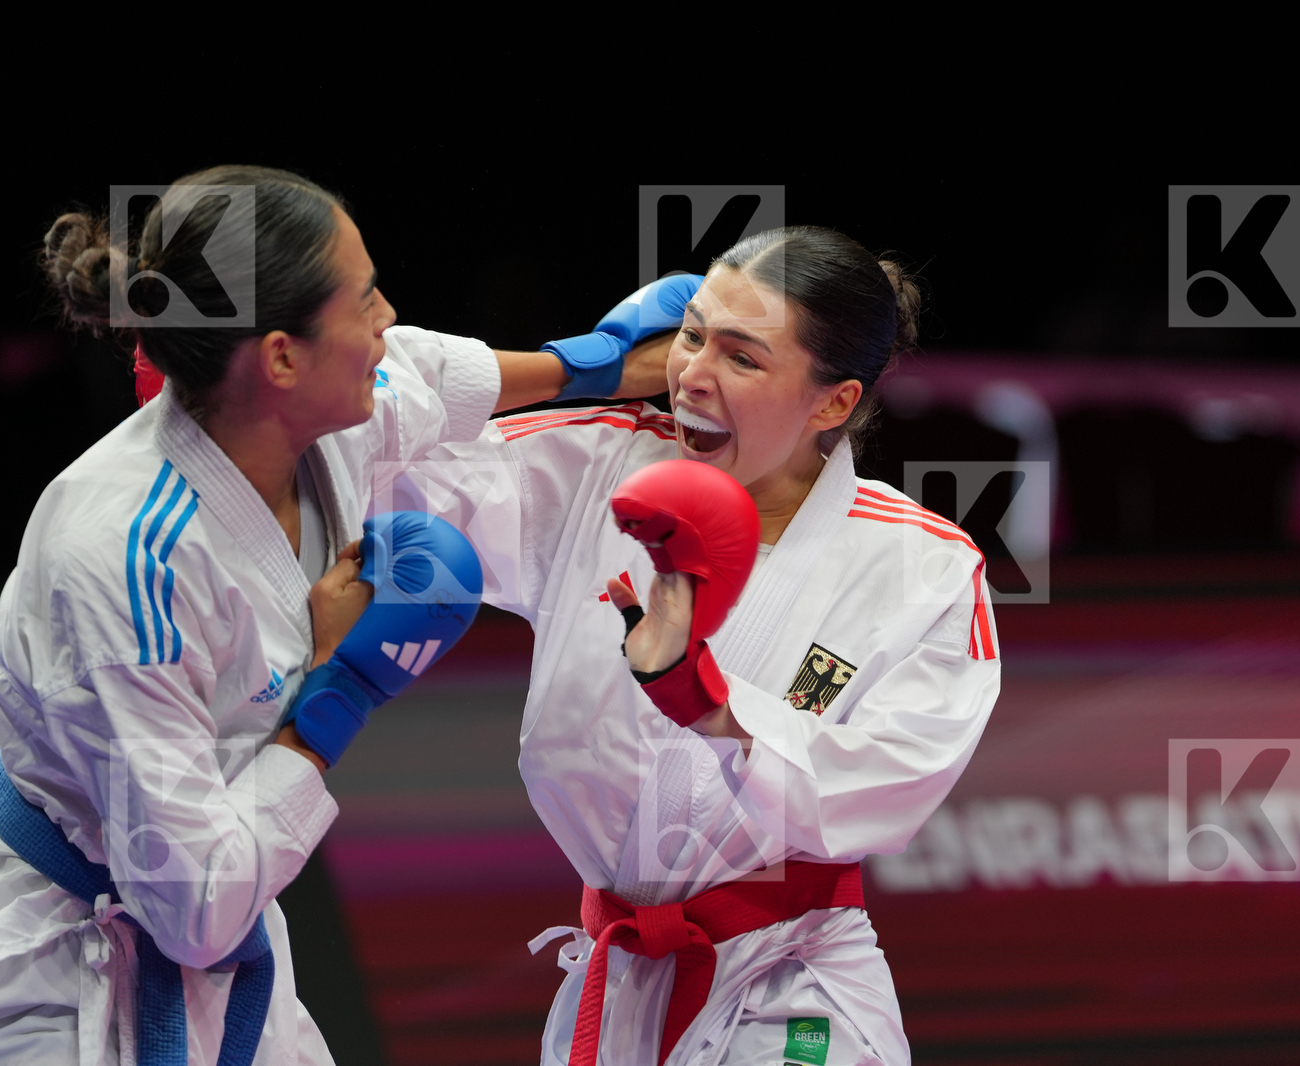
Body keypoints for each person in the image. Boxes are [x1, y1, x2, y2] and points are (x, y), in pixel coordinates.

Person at [0, 164, 665, 1066]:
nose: (387, 316)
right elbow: (190, 912)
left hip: (219, 932)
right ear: (280, 356)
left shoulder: (320, 416)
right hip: (43, 976)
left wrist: (597, 362)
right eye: (366, 297)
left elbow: (423, 370)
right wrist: (337, 693)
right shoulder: (124, 563)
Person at [419, 226, 1001, 1066]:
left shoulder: (923, 565)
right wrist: (582, 366)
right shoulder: (600, 466)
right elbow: (341, 423)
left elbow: (885, 788)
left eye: (742, 357)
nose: (692, 374)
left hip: (795, 989)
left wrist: (708, 704)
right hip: (615, 982)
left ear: (833, 402)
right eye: (691, 335)